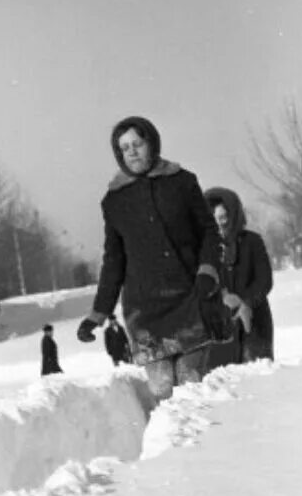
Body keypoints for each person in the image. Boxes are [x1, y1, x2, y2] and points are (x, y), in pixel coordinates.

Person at [76, 116, 223, 401]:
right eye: (124, 147)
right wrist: (98, 313)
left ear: (151, 143)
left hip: (189, 298)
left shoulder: (182, 182)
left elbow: (209, 232)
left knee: (191, 385)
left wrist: (208, 270)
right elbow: (114, 260)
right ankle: (171, 445)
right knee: (162, 389)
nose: (131, 152)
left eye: (137, 144)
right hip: (145, 311)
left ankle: (198, 445)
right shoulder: (114, 200)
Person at [205, 186, 275, 364]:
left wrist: (246, 302)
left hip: (254, 320)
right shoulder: (201, 248)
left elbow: (264, 280)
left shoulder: (252, 242)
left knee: (257, 371)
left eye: (223, 217)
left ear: (233, 215)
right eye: (214, 219)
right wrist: (222, 297)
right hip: (219, 325)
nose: (219, 224)